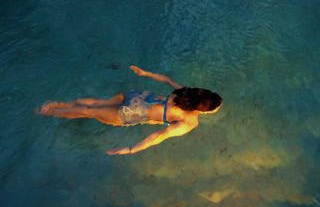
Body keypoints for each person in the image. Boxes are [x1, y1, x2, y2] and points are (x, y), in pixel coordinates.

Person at [38, 65, 223, 155]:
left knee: (95, 104)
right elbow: (159, 136)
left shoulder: (186, 93)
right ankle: (51, 112)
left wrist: (145, 73)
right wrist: (130, 149)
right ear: (204, 110)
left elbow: (166, 79)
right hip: (134, 112)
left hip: (139, 96)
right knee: (89, 112)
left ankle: (60, 105)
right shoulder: (190, 121)